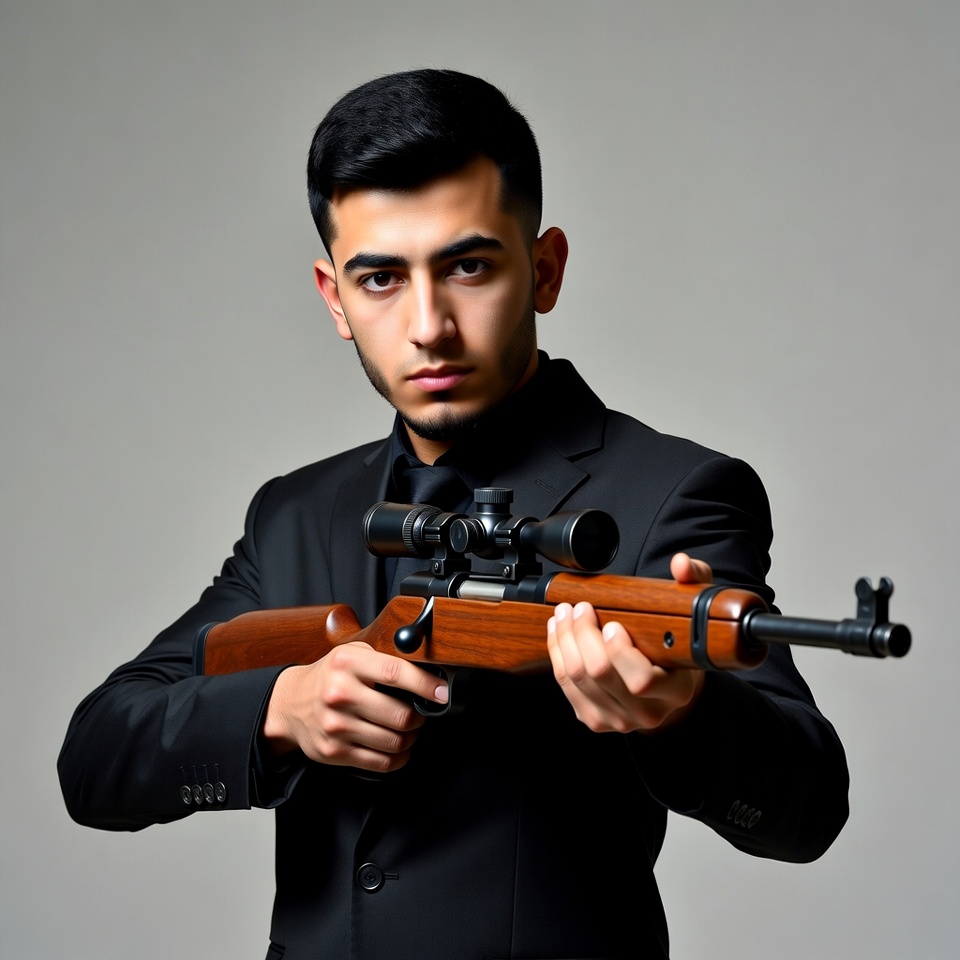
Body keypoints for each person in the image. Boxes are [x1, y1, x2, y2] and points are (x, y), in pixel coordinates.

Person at [59, 69, 848, 959]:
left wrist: (681, 714)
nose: (429, 325)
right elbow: (95, 759)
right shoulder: (297, 513)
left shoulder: (675, 490)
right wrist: (283, 708)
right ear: (334, 298)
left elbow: (809, 809)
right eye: (381, 278)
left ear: (544, 270)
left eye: (468, 267)